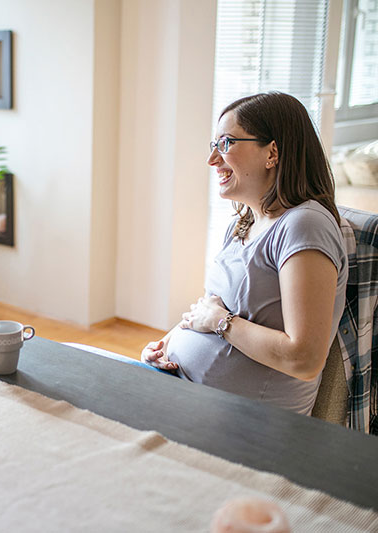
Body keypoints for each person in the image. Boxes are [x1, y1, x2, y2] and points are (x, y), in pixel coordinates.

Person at [141, 92, 347, 416]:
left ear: (272, 152)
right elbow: (210, 308)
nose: (212, 159)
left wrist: (221, 323)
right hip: (188, 390)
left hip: (249, 424)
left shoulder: (305, 225)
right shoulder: (245, 223)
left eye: (226, 144)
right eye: (214, 145)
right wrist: (166, 344)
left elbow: (304, 359)